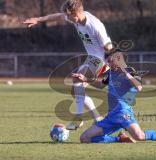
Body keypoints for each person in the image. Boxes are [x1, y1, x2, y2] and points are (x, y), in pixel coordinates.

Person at [23, 0, 113, 129]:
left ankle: (78, 119)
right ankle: (97, 119)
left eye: (69, 16)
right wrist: (38, 19)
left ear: (76, 13)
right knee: (75, 91)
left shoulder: (95, 26)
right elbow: (58, 16)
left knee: (77, 79)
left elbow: (109, 48)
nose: (67, 18)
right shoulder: (76, 17)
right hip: (92, 58)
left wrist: (113, 69)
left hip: (101, 59)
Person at [76, 51, 156, 143]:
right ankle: (118, 139)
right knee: (84, 138)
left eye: (111, 61)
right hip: (111, 116)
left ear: (118, 61)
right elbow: (101, 85)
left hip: (123, 112)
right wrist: (85, 79)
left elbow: (139, 87)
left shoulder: (131, 71)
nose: (108, 64)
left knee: (139, 136)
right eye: (108, 61)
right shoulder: (110, 73)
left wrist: (125, 72)